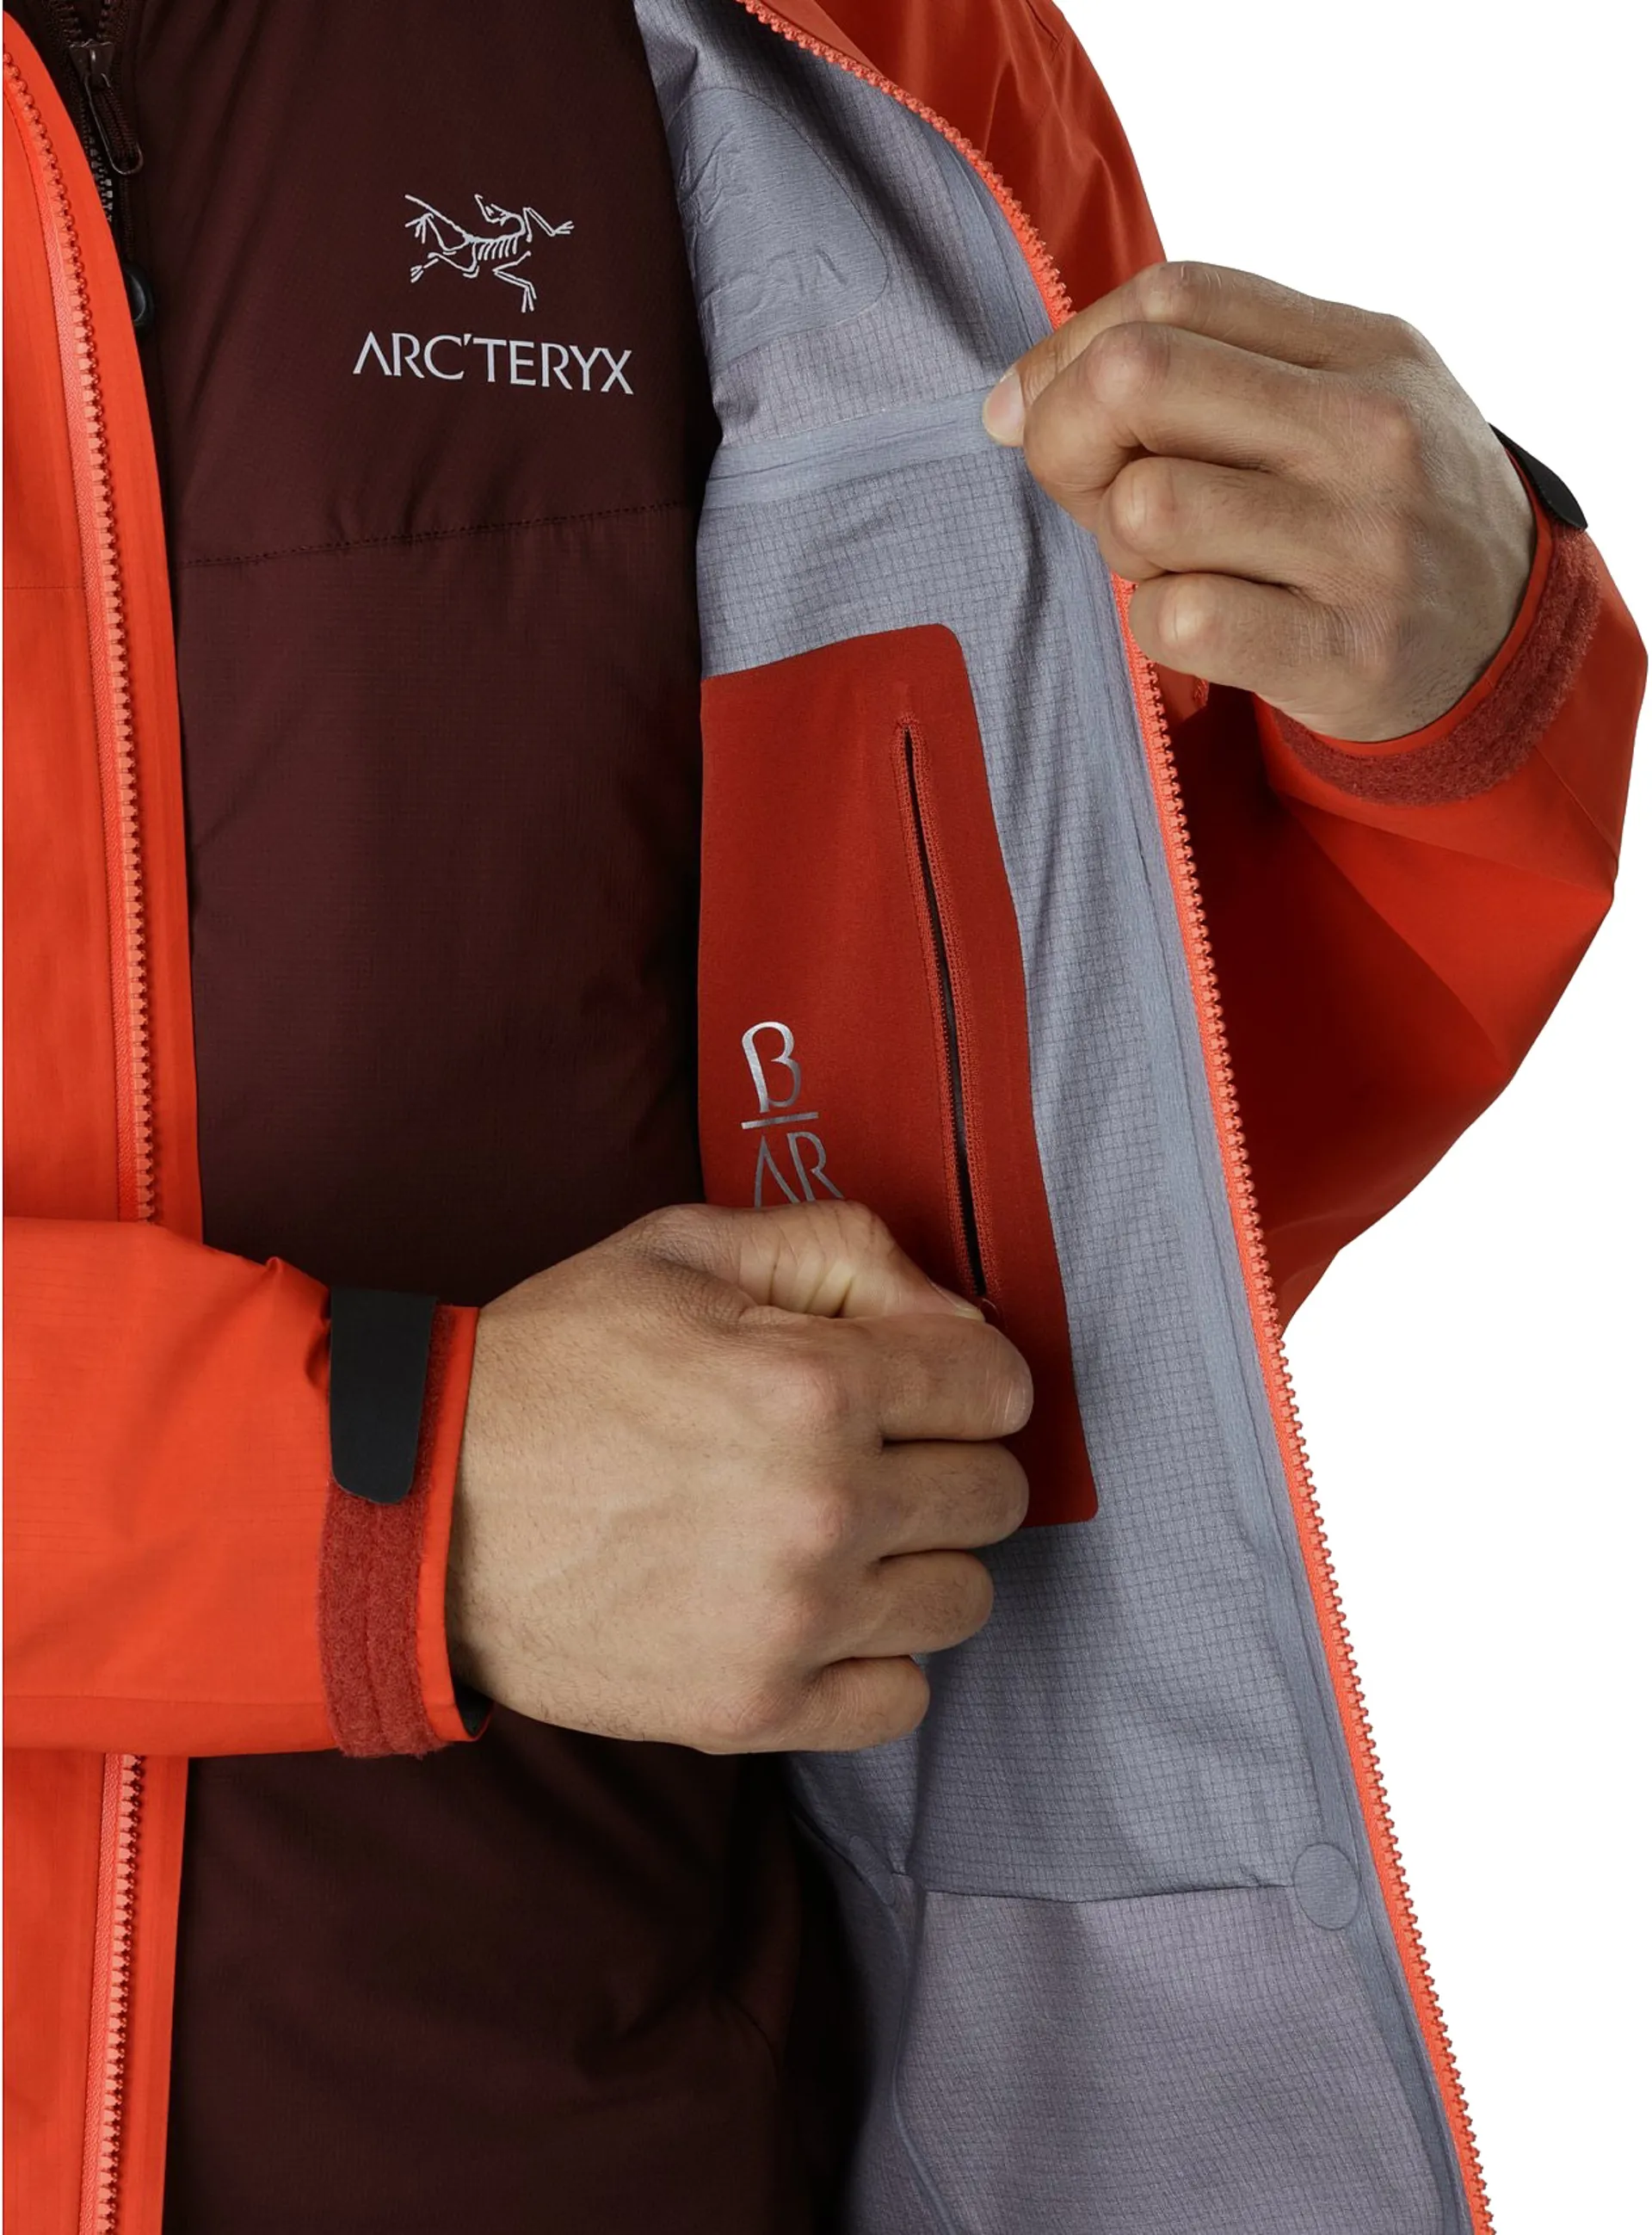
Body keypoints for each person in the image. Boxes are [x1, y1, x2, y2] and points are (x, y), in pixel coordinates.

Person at [4, 2, 1641, 2231]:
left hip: (599, 2127)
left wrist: (1430, 702)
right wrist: (376, 1507)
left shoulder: (863, 42)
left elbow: (1045, 1179)